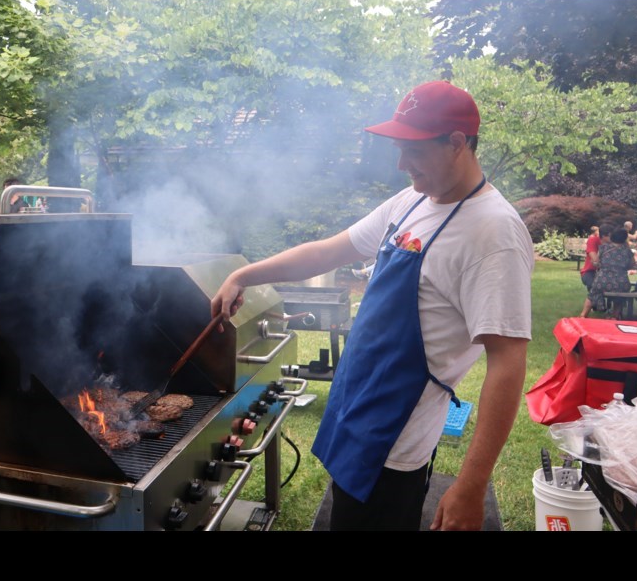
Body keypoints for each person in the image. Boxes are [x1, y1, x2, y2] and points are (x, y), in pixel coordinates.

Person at [211, 81, 533, 531]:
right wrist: (243, 274)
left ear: (457, 143)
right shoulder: (412, 200)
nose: (401, 164)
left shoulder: (494, 234)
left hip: (396, 435)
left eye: (413, 150)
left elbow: (508, 362)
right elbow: (329, 250)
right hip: (357, 406)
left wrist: (471, 484)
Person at [580, 225, 634, 318]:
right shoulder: (627, 251)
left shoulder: (604, 247)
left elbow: (597, 261)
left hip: (603, 281)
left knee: (593, 293)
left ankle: (583, 314)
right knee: (620, 296)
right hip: (621, 282)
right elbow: (631, 264)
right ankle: (615, 315)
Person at [579, 225, 603, 290]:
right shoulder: (593, 239)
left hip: (604, 273)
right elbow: (594, 259)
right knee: (593, 287)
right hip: (590, 271)